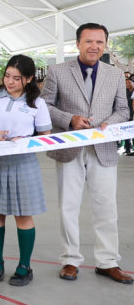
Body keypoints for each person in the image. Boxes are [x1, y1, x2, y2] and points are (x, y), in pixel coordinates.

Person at [41, 23, 132, 284]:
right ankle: (70, 260)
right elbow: (44, 105)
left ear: (105, 45)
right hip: (69, 148)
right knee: (68, 205)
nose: (94, 46)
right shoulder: (57, 71)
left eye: (99, 42)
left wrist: (109, 124)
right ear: (78, 43)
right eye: (89, 41)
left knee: (106, 207)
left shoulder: (115, 74)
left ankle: (108, 262)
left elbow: (123, 110)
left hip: (103, 149)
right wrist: (70, 119)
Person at [0, 55, 52, 286]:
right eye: (7, 76)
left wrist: (25, 140)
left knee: (24, 215)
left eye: (16, 78)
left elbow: (45, 137)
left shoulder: (37, 103)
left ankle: (24, 265)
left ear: (28, 79)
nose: (10, 81)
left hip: (24, 163)